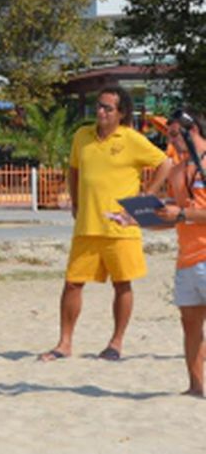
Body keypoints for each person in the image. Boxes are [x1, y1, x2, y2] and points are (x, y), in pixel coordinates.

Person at [38, 87, 171, 362]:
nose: (100, 112)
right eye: (99, 106)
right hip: (87, 225)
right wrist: (75, 202)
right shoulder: (82, 136)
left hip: (120, 228)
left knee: (122, 284)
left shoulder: (132, 139)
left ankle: (116, 343)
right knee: (72, 284)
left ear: (121, 113)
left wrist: (148, 195)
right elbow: (74, 171)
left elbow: (166, 162)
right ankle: (64, 343)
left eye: (107, 108)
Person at [152, 110, 206, 396]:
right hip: (186, 258)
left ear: (193, 129)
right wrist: (136, 220)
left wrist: (182, 213)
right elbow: (175, 216)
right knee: (190, 325)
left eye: (174, 134)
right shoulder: (176, 170)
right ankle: (196, 387)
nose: (170, 141)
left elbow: (185, 213)